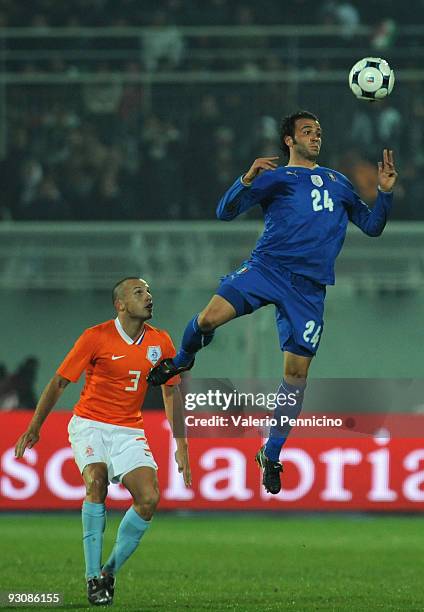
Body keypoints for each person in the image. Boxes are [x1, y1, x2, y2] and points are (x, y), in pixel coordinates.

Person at [147, 110, 398, 495]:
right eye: (308, 131)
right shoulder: (277, 178)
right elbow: (225, 212)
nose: (316, 137)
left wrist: (384, 193)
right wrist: (246, 179)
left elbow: (373, 226)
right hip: (267, 269)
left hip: (309, 289)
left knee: (296, 375)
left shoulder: (340, 183)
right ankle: (182, 359)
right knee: (209, 319)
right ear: (289, 140)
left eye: (319, 131)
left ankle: (272, 452)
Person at [15, 277, 191, 606]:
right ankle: (92, 578)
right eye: (139, 293)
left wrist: (181, 443)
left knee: (149, 498)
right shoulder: (95, 337)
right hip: (90, 424)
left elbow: (170, 390)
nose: (149, 297)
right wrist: (35, 426)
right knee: (96, 480)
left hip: (128, 429)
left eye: (149, 291)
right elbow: (58, 382)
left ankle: (109, 572)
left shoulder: (161, 343)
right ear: (120, 305)